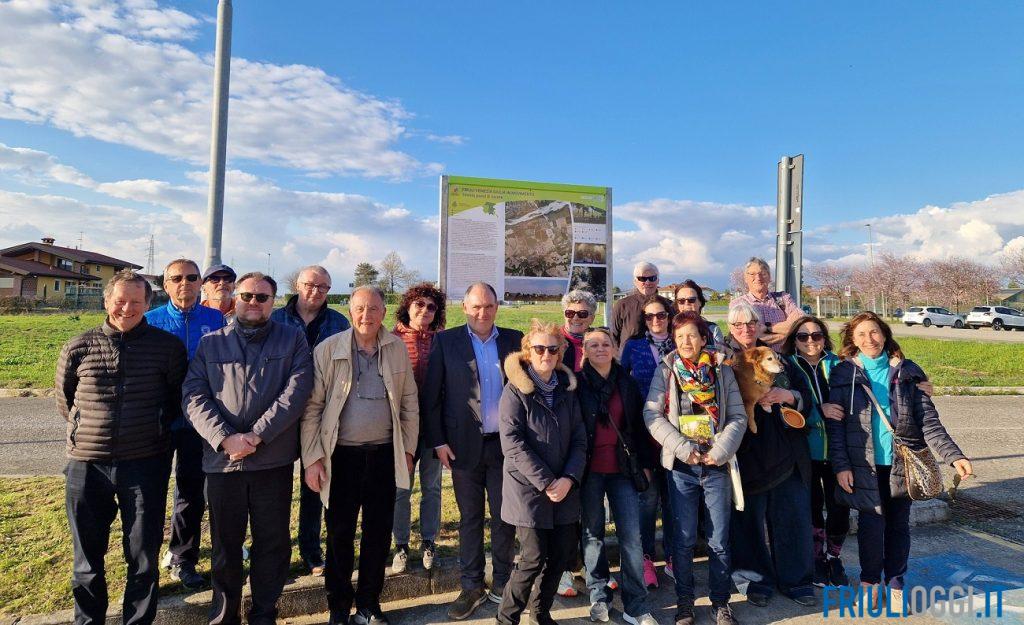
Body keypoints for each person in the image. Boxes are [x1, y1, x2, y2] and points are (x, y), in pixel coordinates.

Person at [57, 270, 188, 625]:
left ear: (149, 304)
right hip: (86, 465)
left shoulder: (167, 348)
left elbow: (178, 399)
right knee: (87, 560)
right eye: (119, 301)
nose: (126, 308)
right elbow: (66, 400)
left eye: (135, 301)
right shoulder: (77, 346)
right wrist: (86, 432)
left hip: (144, 463)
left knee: (143, 558)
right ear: (106, 302)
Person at [183, 272, 313, 625]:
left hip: (272, 460)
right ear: (234, 298)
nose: (253, 303)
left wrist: (256, 436)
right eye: (247, 296)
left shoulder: (292, 339)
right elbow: (194, 395)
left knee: (272, 543)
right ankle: (224, 616)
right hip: (223, 462)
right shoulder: (211, 344)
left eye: (262, 297)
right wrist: (225, 438)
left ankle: (264, 613)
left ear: (273, 302)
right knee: (226, 547)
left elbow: (297, 392)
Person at [825, 312, 973, 605]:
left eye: (875, 332)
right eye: (862, 335)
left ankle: (895, 583)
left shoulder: (908, 371)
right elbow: (836, 427)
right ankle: (869, 583)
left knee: (898, 526)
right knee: (870, 527)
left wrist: (954, 456)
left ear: (885, 334)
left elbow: (929, 422)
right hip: (862, 465)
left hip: (901, 464)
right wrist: (841, 466)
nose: (870, 340)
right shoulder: (844, 374)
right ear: (852, 341)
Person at [301, 286, 419, 625]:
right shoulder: (328, 350)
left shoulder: (396, 349)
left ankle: (369, 605)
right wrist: (312, 458)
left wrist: (408, 451)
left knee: (378, 535)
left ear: (384, 312)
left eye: (373, 309)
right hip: (341, 457)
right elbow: (312, 408)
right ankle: (338, 608)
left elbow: (410, 403)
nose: (366, 316)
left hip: (384, 455)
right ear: (350, 311)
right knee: (339, 535)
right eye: (360, 309)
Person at [422, 282, 524, 619]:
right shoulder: (445, 341)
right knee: (470, 518)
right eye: (476, 307)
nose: (483, 313)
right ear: (464, 307)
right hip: (462, 446)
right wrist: (438, 441)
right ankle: (471, 585)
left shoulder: (514, 339)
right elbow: (432, 397)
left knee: (504, 516)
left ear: (497, 307)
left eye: (489, 306)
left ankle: (503, 581)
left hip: (505, 447)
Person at [644, 312, 746, 625]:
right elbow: (652, 416)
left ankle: (720, 603)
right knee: (684, 539)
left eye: (692, 335)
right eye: (680, 337)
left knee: (718, 539)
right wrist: (684, 449)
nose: (686, 342)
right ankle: (685, 603)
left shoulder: (721, 371)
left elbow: (738, 417)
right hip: (682, 467)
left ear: (704, 338)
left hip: (716, 465)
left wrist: (720, 450)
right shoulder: (667, 372)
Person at [495, 320, 589, 625]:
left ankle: (540, 611)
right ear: (528, 352)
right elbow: (512, 443)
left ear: (560, 353)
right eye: (539, 348)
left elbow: (579, 440)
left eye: (552, 348)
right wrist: (547, 481)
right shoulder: (515, 391)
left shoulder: (567, 390)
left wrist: (568, 478)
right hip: (528, 490)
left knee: (561, 556)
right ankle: (506, 618)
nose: (546, 353)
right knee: (533, 558)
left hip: (564, 487)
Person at [723, 301, 816, 608]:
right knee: (748, 521)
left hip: (786, 451)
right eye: (738, 325)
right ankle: (754, 579)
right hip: (746, 453)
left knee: (792, 517)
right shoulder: (726, 362)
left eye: (751, 323)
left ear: (761, 325)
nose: (745, 329)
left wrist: (789, 395)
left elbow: (808, 399)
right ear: (730, 328)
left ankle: (796, 579)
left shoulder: (783, 361)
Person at [145, 258, 225, 589]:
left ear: (201, 283)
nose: (185, 283)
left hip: (198, 422)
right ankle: (144, 564)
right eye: (176, 278)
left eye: (192, 277)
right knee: (146, 496)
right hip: (156, 422)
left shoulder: (215, 318)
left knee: (191, 493)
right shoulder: (150, 320)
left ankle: (183, 557)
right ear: (165, 285)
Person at [270, 265, 351, 576]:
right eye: (310, 285)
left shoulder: (338, 322)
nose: (315, 291)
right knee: (274, 487)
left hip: (319, 412)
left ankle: (311, 549)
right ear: (297, 285)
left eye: (323, 287)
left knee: (314, 483)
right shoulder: (276, 318)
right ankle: (275, 551)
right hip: (279, 413)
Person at [576, 327, 657, 625]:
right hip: (589, 470)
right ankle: (599, 594)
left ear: (614, 347)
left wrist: (645, 462)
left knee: (631, 537)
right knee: (593, 535)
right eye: (593, 344)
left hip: (622, 469)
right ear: (584, 349)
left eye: (605, 344)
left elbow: (638, 425)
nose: (600, 349)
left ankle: (635, 603)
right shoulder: (577, 383)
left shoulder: (627, 381)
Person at [779, 316, 849, 587]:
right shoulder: (786, 366)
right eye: (803, 336)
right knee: (811, 507)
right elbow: (784, 409)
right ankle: (817, 557)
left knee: (839, 506)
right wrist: (817, 414)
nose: (810, 341)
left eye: (816, 335)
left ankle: (835, 556)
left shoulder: (839, 364)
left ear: (824, 338)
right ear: (794, 341)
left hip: (839, 450)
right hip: (805, 449)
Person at [390, 282, 447, 574]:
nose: (424, 310)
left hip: (434, 429)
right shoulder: (390, 340)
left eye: (431, 307)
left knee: (432, 488)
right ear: (408, 306)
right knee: (401, 488)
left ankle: (429, 541)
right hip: (401, 428)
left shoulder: (443, 341)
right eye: (419, 305)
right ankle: (400, 544)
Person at [620, 293, 675, 587]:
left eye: (661, 315)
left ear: (669, 316)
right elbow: (621, 380)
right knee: (648, 497)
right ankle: (645, 558)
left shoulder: (681, 344)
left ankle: (674, 556)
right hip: (644, 433)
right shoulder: (634, 346)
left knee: (675, 498)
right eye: (650, 317)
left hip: (679, 430)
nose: (656, 321)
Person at [728, 258, 802, 348]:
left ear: (769, 277)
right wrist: (788, 335)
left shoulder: (783, 298)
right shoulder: (738, 304)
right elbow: (750, 335)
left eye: (763, 273)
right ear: (745, 278)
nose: (758, 278)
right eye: (752, 274)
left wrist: (768, 328)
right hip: (757, 359)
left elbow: (800, 324)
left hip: (786, 359)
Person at [611, 262, 660, 349]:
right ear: (635, 282)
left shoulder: (668, 305)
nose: (647, 282)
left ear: (658, 280)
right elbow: (613, 338)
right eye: (642, 278)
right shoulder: (622, 305)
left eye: (652, 278)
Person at [672, 280, 724, 349]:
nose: (686, 304)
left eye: (691, 300)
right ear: (677, 305)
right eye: (681, 301)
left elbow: (721, 354)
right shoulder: (670, 329)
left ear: (700, 302)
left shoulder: (712, 330)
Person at [561, 289, 598, 372]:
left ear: (592, 318)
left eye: (582, 314)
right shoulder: (553, 341)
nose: (575, 318)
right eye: (570, 313)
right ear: (564, 316)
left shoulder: (600, 342)